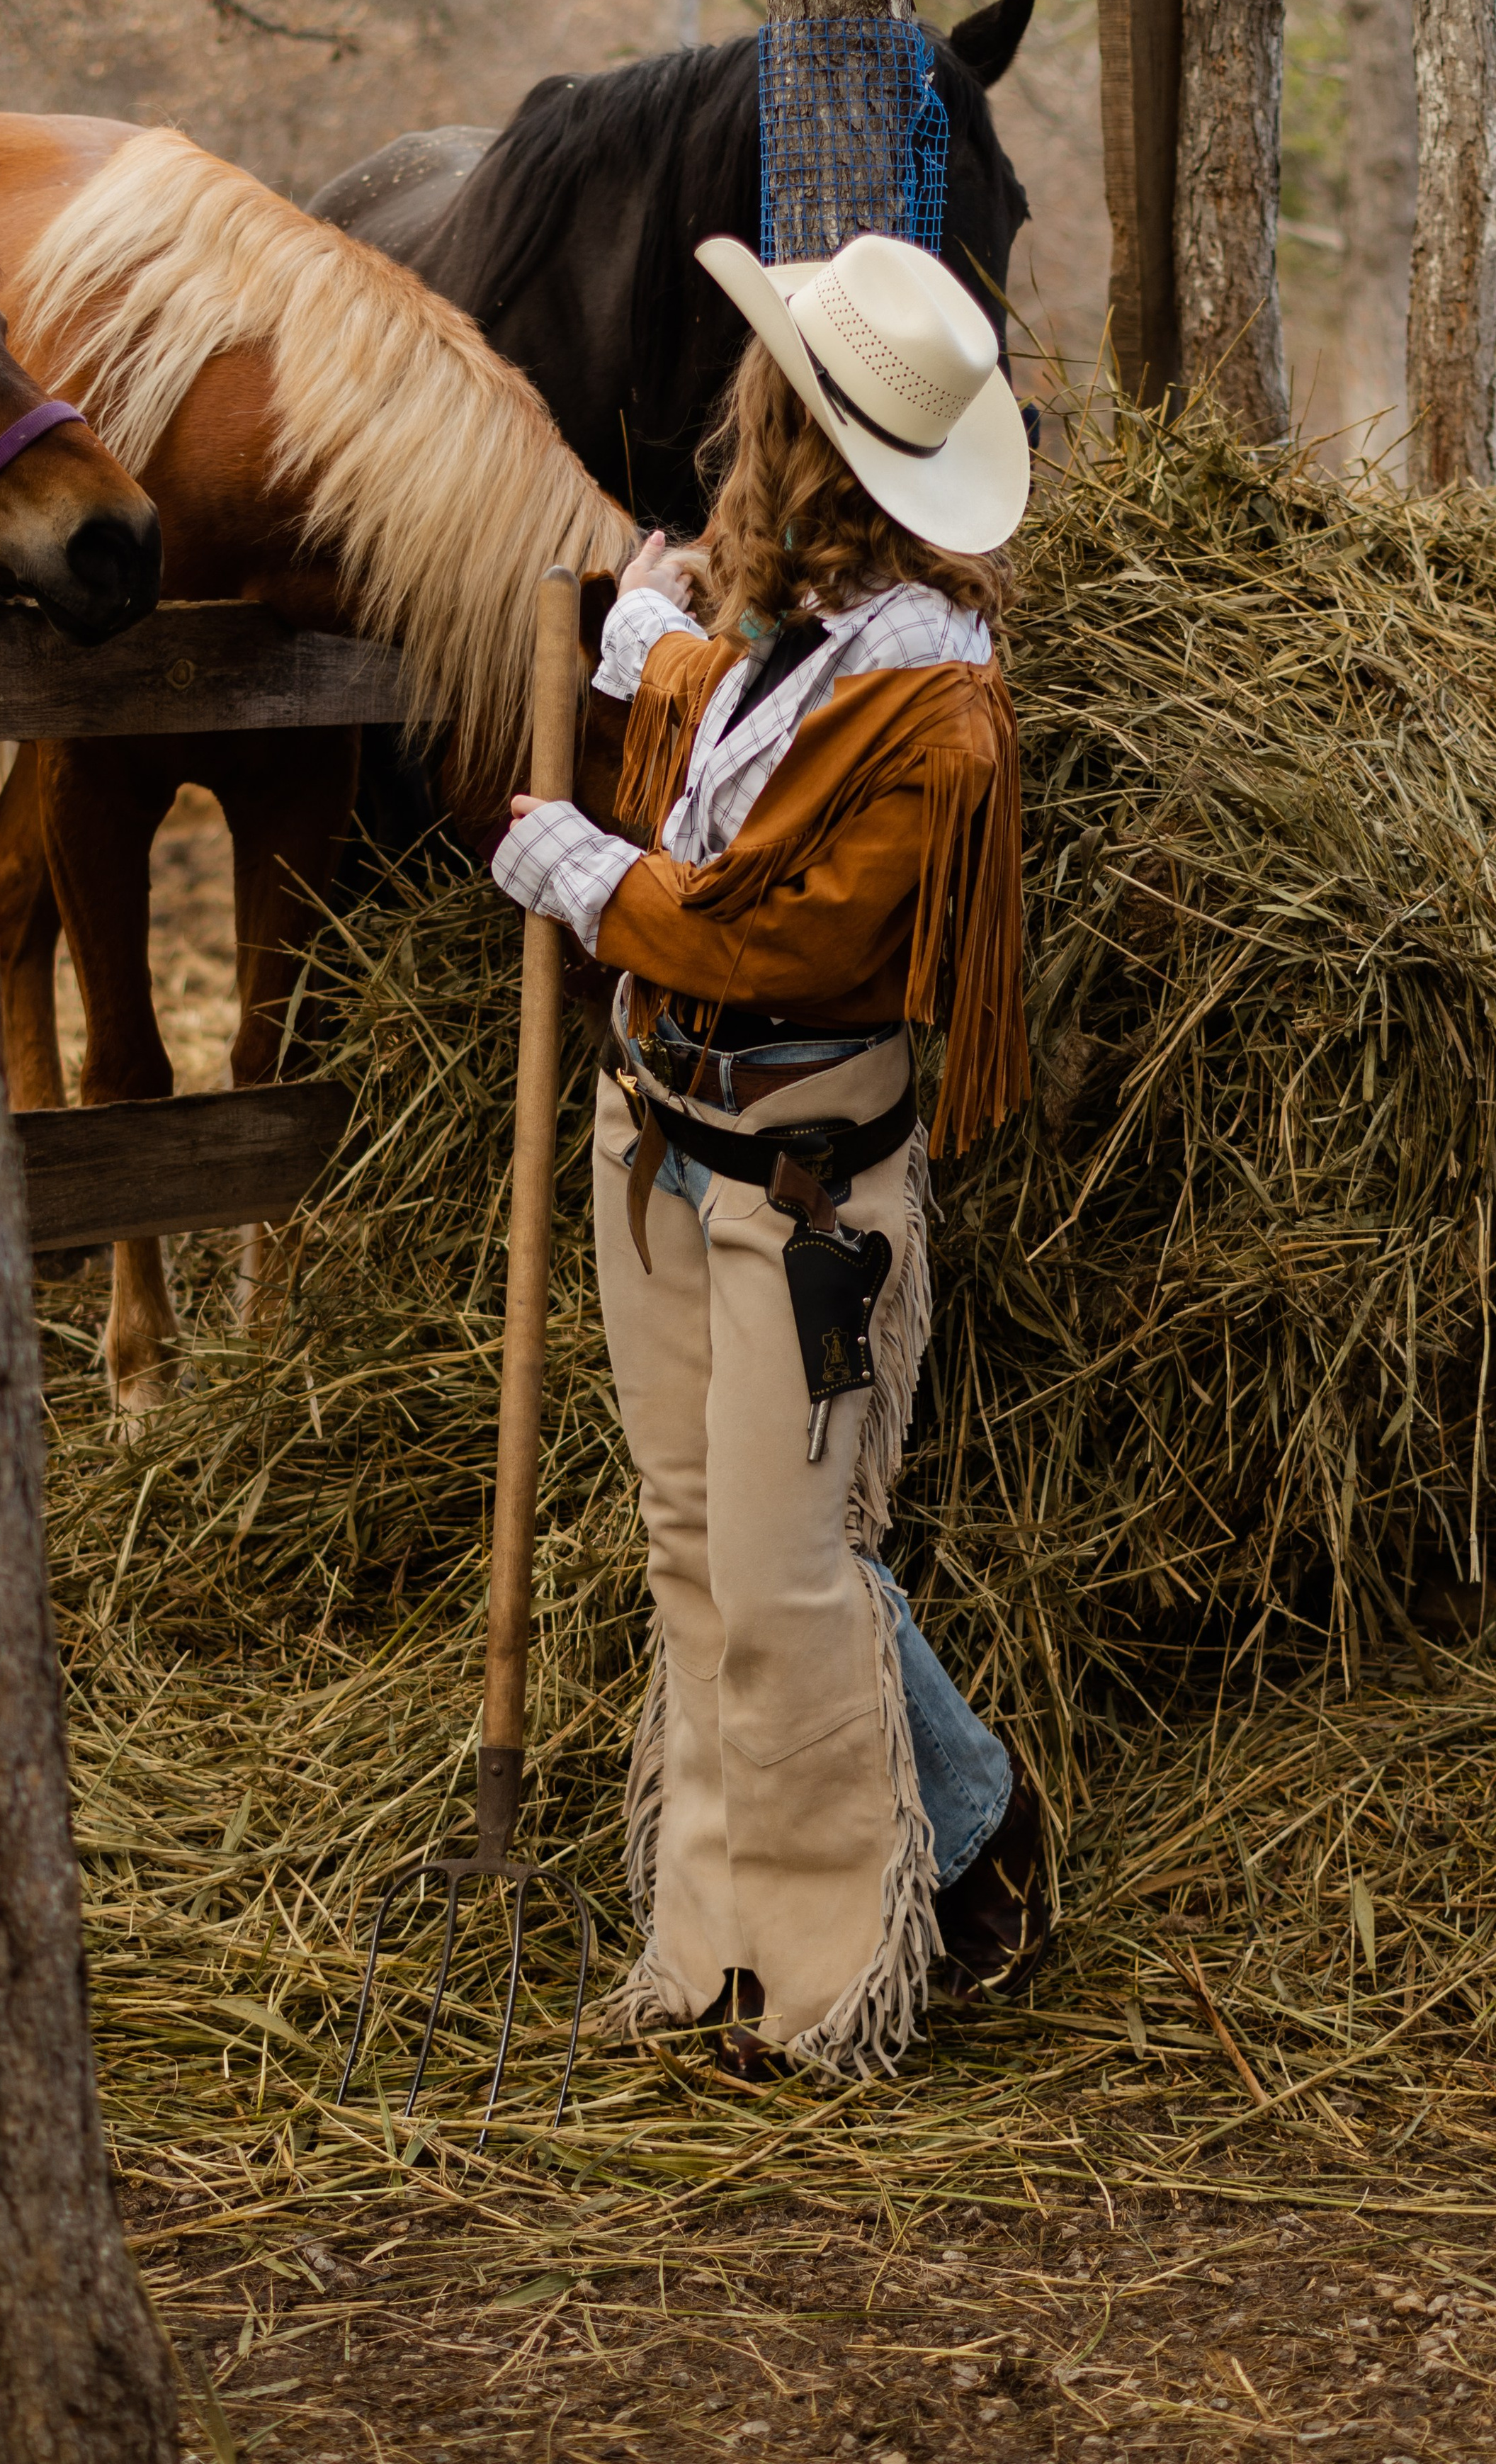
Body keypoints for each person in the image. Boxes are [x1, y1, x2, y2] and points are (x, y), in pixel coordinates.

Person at [491, 231, 1046, 2079]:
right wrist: (651, 647)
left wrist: (588, 875)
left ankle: (828, 1984)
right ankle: (708, 1942)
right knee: (690, 1553)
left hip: (805, 1190)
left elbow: (784, 929)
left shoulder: (933, 696)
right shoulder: (789, 621)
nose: (734, 423)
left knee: (788, 1570)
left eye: (761, 400)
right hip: (658, 1142)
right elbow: (728, 749)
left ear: (799, 431)